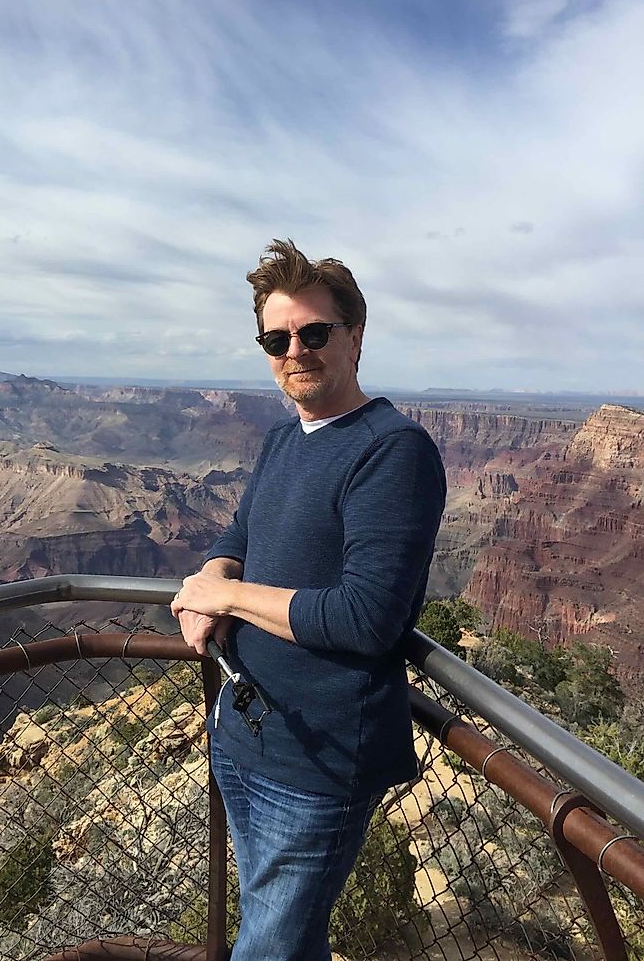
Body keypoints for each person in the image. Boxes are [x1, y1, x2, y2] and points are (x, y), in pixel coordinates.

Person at [171, 238, 446, 961]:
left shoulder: (392, 450)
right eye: (276, 336)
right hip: (241, 729)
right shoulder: (280, 441)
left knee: (267, 947)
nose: (295, 349)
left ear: (354, 337)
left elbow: (366, 618)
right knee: (285, 940)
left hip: (319, 759)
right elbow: (239, 529)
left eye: (314, 332)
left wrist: (224, 593)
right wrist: (212, 578)